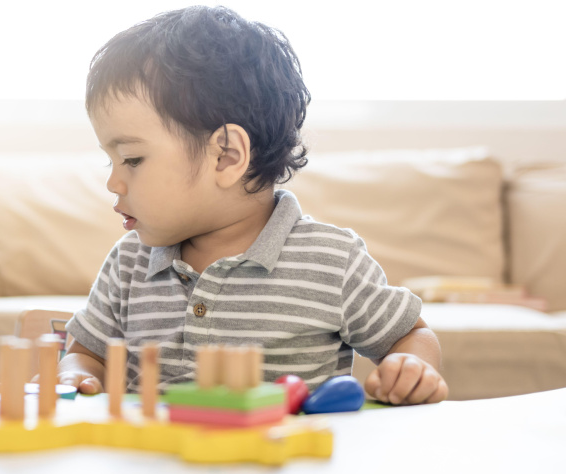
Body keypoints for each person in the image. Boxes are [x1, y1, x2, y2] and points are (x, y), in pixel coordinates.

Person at [59, 5, 447, 405]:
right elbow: (87, 354)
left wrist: (412, 368)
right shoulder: (129, 262)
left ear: (226, 157)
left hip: (282, 465)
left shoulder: (332, 260)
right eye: (112, 160)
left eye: (132, 159)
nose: (113, 181)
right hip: (156, 463)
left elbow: (409, 335)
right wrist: (75, 376)